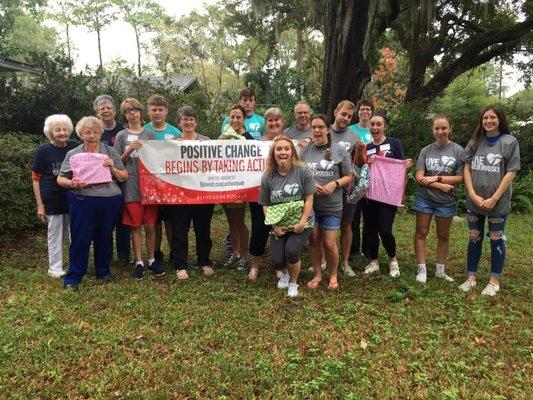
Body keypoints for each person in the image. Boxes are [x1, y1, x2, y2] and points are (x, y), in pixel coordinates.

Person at [57, 116, 128, 290]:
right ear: (81, 134)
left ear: (100, 133)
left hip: (110, 200)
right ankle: (74, 276)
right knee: (81, 237)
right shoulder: (73, 154)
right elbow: (60, 178)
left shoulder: (110, 151)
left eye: (95, 131)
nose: (92, 135)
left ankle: (103, 271)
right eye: (87, 132)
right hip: (82, 200)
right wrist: (71, 183)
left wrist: (112, 167)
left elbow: (124, 176)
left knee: (105, 236)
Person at [459, 105, 520, 296]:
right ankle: (471, 278)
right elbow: (466, 168)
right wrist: (472, 193)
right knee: (474, 237)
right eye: (485, 118)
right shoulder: (475, 141)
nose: (488, 121)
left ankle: (494, 281)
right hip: (474, 201)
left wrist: (494, 198)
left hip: (497, 203)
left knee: (496, 239)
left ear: (500, 119)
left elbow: (511, 172)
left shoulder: (510, 142)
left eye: (492, 117)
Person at [301, 114, 353, 289]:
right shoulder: (305, 151)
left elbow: (350, 176)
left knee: (329, 243)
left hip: (332, 205)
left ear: (328, 129)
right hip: (311, 206)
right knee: (314, 239)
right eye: (313, 127)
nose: (317, 131)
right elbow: (299, 175)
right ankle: (317, 274)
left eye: (320, 127)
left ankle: (333, 275)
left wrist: (334, 183)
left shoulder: (339, 150)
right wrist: (311, 184)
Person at [115, 98, 164, 280]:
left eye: (135, 110)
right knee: (135, 226)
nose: (133, 113)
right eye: (129, 111)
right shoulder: (121, 136)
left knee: (150, 224)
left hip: (149, 187)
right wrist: (129, 150)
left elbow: (158, 161)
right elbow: (117, 162)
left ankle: (151, 259)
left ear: (141, 112)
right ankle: (138, 262)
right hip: (131, 186)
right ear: (125, 114)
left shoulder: (150, 134)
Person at [260, 136, 315, 297]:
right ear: (273, 153)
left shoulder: (302, 171)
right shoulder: (268, 176)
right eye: (279, 149)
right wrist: (273, 226)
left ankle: (293, 282)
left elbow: (309, 198)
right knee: (277, 260)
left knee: (291, 251)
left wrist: (303, 222)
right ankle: (284, 274)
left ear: (292, 152)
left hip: (301, 222)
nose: (282, 152)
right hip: (279, 224)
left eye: (286, 148)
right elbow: (265, 204)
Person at [412, 115, 464, 283]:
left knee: (443, 236)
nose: (440, 131)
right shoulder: (426, 150)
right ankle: (421, 269)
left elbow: (461, 177)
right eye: (437, 128)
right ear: (433, 130)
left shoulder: (458, 151)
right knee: (421, 233)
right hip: (425, 199)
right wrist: (440, 185)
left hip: (447, 201)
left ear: (450, 129)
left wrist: (435, 178)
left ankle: (440, 270)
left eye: (444, 128)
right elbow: (419, 177)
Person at [363, 112, 412, 277]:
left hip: (388, 196)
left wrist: (406, 165)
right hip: (370, 195)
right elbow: (362, 171)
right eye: (372, 124)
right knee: (370, 229)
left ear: (385, 127)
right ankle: (374, 261)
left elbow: (401, 165)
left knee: (385, 229)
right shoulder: (367, 147)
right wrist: (366, 164)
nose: (375, 127)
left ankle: (393, 260)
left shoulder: (394, 143)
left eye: (379, 124)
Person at [168, 106, 214, 279]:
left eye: (191, 119)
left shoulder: (207, 141)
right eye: (184, 119)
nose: (188, 122)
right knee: (180, 230)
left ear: (196, 122)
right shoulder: (171, 143)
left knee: (203, 230)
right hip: (180, 195)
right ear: (179, 123)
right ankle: (181, 264)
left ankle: (204, 261)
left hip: (203, 193)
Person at [32, 114, 78, 278]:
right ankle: (55, 269)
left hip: (75, 198)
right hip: (53, 200)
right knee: (55, 236)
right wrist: (40, 205)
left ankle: (76, 265)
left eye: (65, 129)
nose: (62, 133)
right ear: (50, 132)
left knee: (76, 235)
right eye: (57, 130)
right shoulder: (43, 151)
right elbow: (35, 179)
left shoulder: (75, 147)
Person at [143, 94, 181, 265]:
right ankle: (156, 251)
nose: (157, 112)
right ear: (148, 111)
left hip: (171, 184)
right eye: (154, 110)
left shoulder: (175, 132)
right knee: (154, 221)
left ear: (166, 111)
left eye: (160, 110)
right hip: (151, 185)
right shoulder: (143, 131)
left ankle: (174, 251)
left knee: (170, 221)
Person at [248, 107, 285, 282]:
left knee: (280, 230)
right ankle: (255, 265)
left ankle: (279, 265)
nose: (274, 123)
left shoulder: (288, 143)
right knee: (258, 230)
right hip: (258, 194)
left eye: (277, 120)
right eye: (270, 120)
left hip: (282, 195)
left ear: (282, 122)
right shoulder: (256, 143)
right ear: (265, 123)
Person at [94, 94, 130, 263]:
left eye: (109, 108)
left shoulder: (124, 130)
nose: (106, 111)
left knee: (123, 218)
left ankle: (124, 256)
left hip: (122, 178)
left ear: (115, 111)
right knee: (104, 221)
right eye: (102, 108)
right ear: (97, 113)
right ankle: (106, 255)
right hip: (99, 182)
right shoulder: (93, 131)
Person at [219, 104, 252, 270]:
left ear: (243, 119)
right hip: (224, 185)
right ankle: (235, 253)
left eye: (238, 117)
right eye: (232, 117)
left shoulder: (248, 138)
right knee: (230, 221)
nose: (235, 120)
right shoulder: (223, 136)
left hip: (240, 186)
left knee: (239, 221)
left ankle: (245, 256)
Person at [330, 100, 359, 277]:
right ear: (335, 112)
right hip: (328, 187)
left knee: (347, 224)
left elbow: (359, 160)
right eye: (343, 114)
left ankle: (345, 262)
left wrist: (362, 156)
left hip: (348, 187)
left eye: (349, 116)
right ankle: (325, 260)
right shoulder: (324, 132)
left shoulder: (354, 136)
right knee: (326, 226)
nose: (346, 119)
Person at [348, 100, 373, 261]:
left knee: (370, 215)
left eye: (368, 109)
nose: (365, 111)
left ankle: (369, 250)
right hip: (356, 177)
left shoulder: (376, 128)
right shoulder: (351, 130)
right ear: (358, 112)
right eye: (362, 109)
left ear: (371, 112)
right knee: (354, 215)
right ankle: (354, 250)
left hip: (374, 177)